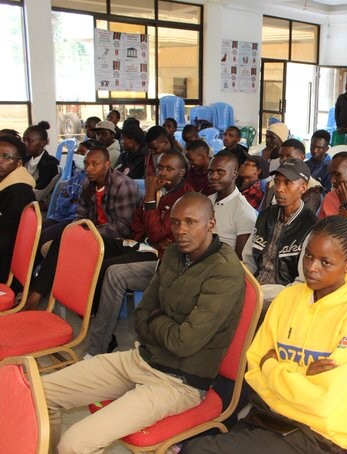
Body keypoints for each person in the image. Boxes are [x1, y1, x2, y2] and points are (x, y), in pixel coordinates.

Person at [42, 193, 246, 454]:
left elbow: (183, 342)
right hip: (140, 359)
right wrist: (159, 321)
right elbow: (141, 314)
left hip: (177, 383)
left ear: (211, 224)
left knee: (74, 444)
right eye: (175, 222)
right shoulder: (173, 254)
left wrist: (155, 318)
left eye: (190, 222)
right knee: (40, 395)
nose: (181, 230)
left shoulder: (224, 270)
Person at [182, 216, 347, 454]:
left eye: (325, 262)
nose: (311, 267)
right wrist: (303, 376)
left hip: (319, 437)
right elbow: (254, 368)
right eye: (308, 256)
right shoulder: (288, 298)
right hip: (267, 416)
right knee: (197, 448)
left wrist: (272, 365)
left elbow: (322, 403)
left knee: (197, 450)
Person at [83, 150, 195, 356]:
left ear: (181, 172)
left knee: (110, 270)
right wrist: (138, 238)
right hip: (142, 244)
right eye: (160, 167)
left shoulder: (185, 198)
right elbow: (138, 221)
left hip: (162, 258)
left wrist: (150, 197)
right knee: (95, 247)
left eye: (169, 169)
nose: (162, 172)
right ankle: (89, 309)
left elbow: (157, 233)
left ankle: (99, 342)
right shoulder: (161, 189)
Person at [26, 145, 139, 310]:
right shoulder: (88, 183)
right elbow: (81, 215)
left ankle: (36, 293)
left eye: (94, 164)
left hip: (116, 238)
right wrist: (79, 231)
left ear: (107, 164)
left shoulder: (123, 184)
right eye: (86, 164)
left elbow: (123, 227)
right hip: (92, 231)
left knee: (63, 240)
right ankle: (36, 289)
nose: (89, 169)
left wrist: (86, 232)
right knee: (61, 236)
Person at [243, 159, 318, 288]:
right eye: (277, 182)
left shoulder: (311, 225)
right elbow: (248, 260)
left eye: (287, 183)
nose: (279, 189)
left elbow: (301, 281)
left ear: (303, 188)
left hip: (284, 293)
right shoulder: (266, 215)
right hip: (254, 286)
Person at [0, 131, 36, 283]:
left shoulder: (18, 191)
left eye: (6, 157)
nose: (0, 161)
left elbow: (6, 238)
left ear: (19, 162)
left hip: (7, 266)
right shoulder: (5, 183)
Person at [208, 153, 257, 259]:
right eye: (210, 172)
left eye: (220, 172)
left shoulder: (243, 211)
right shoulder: (207, 201)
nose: (213, 176)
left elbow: (240, 259)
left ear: (234, 174)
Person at [261, 138, 323, 213]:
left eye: (289, 156)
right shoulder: (272, 184)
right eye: (281, 156)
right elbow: (263, 212)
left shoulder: (313, 189)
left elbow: (305, 218)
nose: (283, 160)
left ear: (302, 157)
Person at [46, 140, 91, 226]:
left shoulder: (91, 181)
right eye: (77, 152)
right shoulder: (77, 176)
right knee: (35, 230)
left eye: (82, 153)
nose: (78, 155)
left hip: (74, 220)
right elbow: (61, 200)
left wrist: (70, 199)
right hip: (59, 216)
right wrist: (72, 200)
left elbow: (80, 208)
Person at [23, 121, 59, 208]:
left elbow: (39, 192)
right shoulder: (25, 159)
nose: (25, 144)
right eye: (23, 140)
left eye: (29, 141)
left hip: (37, 206)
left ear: (43, 143)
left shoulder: (50, 164)